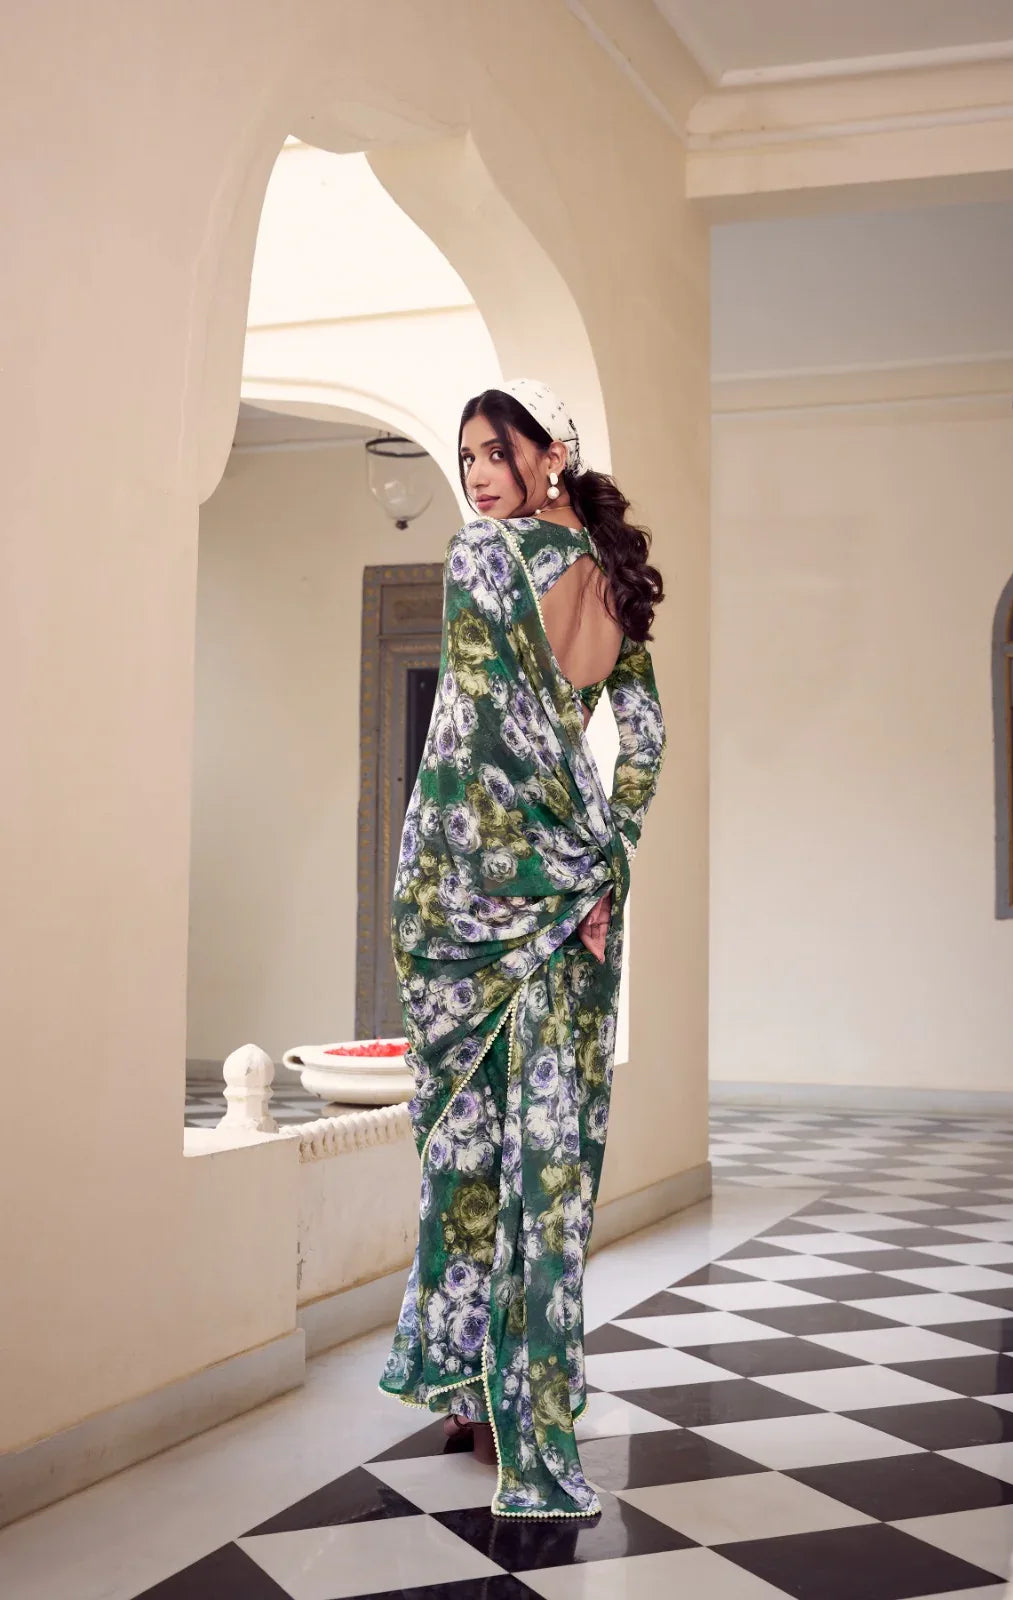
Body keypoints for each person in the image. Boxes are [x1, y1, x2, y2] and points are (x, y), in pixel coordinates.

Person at [378, 379, 667, 1519]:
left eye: (497, 451)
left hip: (484, 895)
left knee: (492, 1158)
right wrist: (607, 857)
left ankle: (500, 1404)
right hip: (579, 901)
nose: (477, 472)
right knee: (541, 1168)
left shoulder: (478, 561)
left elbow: (474, 734)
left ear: (551, 455)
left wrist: (456, 875)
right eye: (466, 455)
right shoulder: (609, 575)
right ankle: (494, 1396)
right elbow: (637, 738)